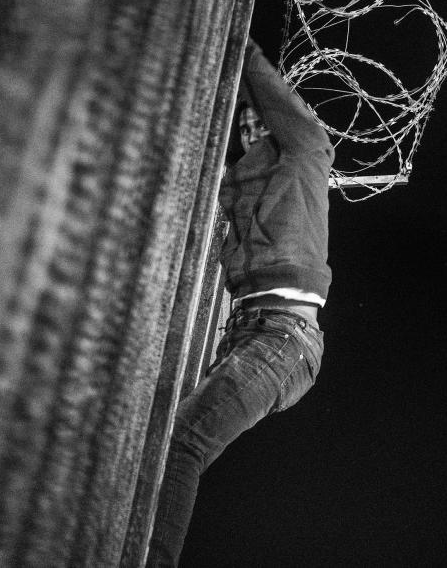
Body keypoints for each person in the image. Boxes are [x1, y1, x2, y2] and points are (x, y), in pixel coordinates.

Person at [149, 39, 332, 566]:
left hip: (284, 340)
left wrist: (240, 40)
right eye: (243, 123)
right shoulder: (239, 185)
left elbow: (294, 121)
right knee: (166, 437)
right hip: (251, 331)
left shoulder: (304, 155)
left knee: (183, 443)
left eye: (258, 119)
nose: (250, 128)